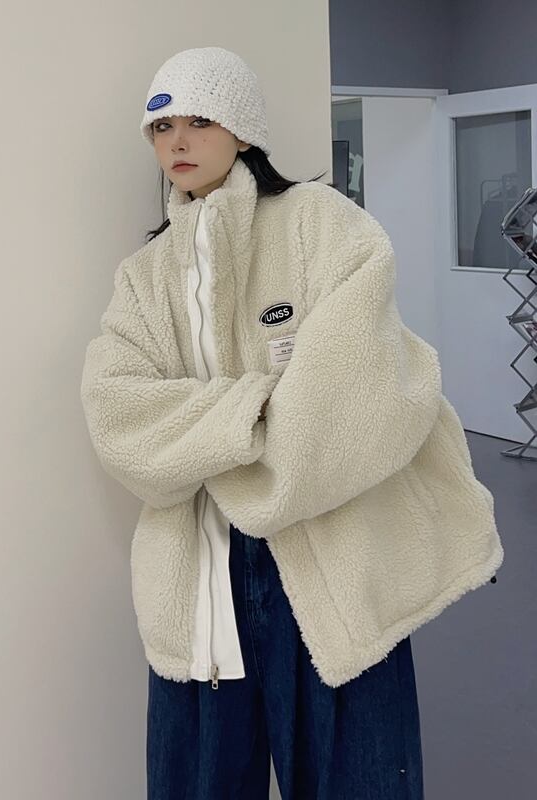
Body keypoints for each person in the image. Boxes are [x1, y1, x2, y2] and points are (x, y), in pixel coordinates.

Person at [80, 46, 503, 799]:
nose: (177, 142)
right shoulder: (144, 277)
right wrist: (261, 407)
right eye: (161, 127)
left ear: (242, 129)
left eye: (200, 121)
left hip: (334, 560)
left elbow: (362, 393)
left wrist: (201, 436)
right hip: (200, 585)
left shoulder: (323, 225)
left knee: (360, 780)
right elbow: (118, 418)